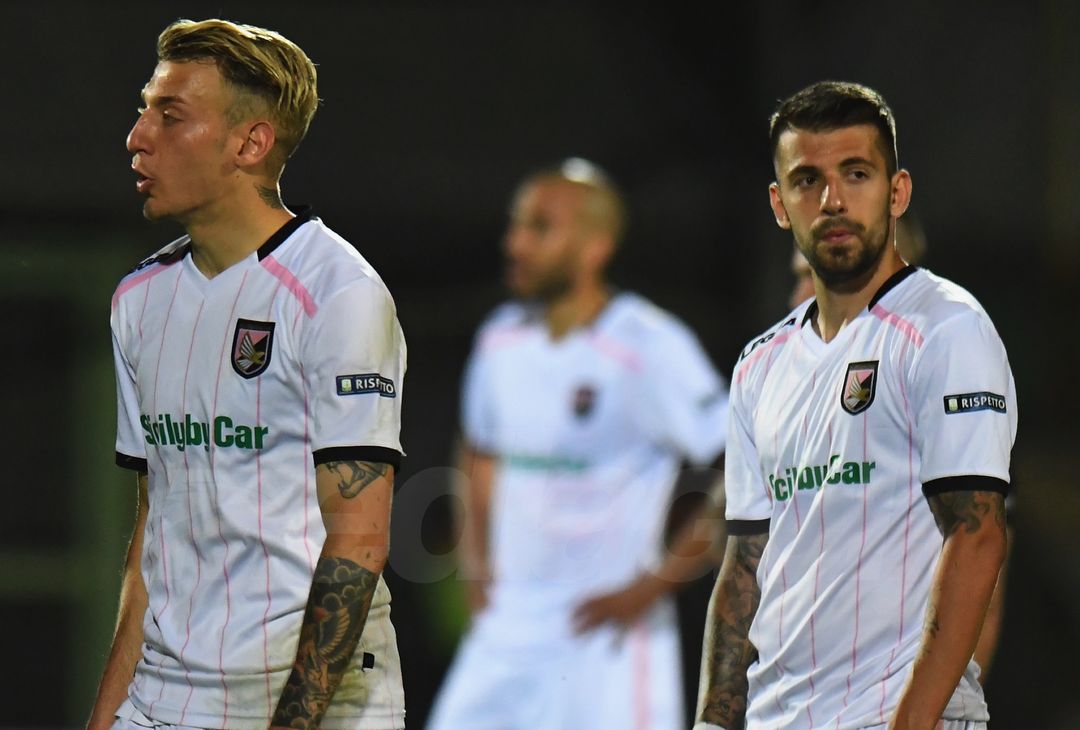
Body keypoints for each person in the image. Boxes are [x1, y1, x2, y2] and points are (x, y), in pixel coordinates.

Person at [87, 19, 407, 730]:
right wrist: (106, 716)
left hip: (315, 702)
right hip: (165, 696)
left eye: (170, 116)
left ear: (250, 143)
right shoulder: (138, 300)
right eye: (144, 109)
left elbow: (359, 539)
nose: (138, 137)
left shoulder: (339, 295)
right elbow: (152, 534)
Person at [695, 81, 1016, 730]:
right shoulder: (759, 365)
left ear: (897, 192)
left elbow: (978, 537)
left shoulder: (946, 329)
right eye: (806, 180)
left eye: (856, 173)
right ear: (780, 204)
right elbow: (745, 565)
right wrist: (712, 721)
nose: (832, 199)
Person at [427, 158, 729, 730]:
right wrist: (475, 571)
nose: (515, 243)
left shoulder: (648, 345)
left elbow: (741, 461)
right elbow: (477, 450)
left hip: (609, 644)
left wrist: (655, 585)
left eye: (539, 227)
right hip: (506, 634)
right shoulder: (499, 340)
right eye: (515, 225)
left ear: (596, 246)